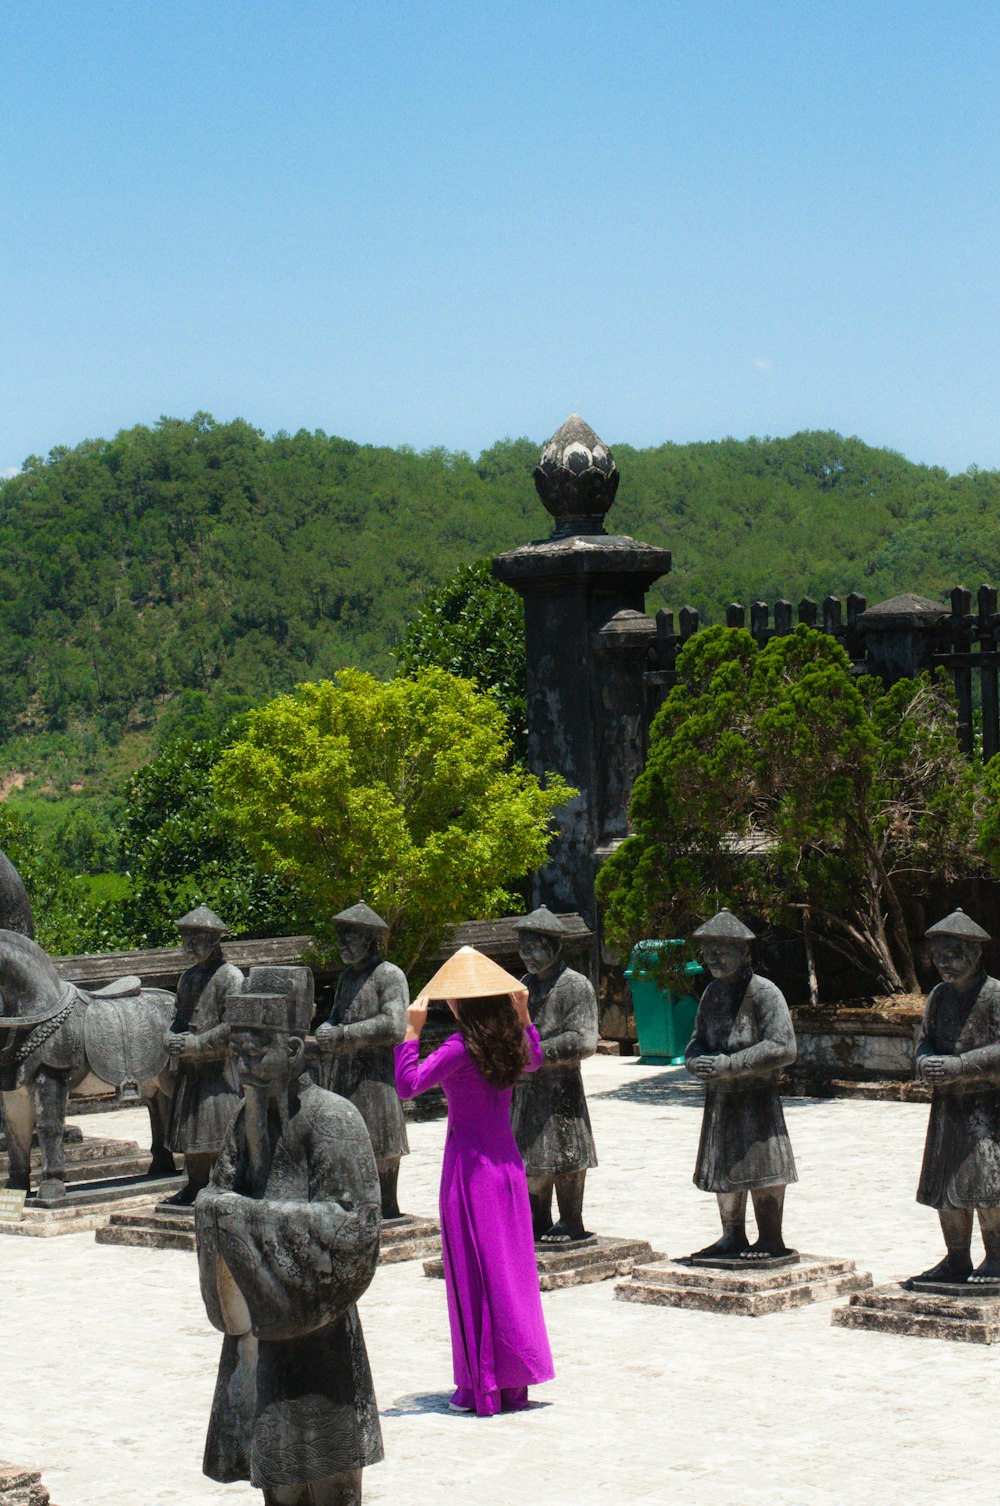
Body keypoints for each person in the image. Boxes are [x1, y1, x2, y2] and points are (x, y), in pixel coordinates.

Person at [196, 987, 383, 1506]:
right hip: (261, 1314)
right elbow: (219, 1193)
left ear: (296, 1050)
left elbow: (355, 1227)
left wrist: (243, 1217)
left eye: (258, 1049)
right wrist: (224, 1212)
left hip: (318, 1323)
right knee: (276, 1478)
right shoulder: (245, 1117)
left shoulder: (333, 1119)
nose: (244, 1062)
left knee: (330, 1478)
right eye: (238, 1050)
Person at [394, 945, 555, 1417]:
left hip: (468, 1172)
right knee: (509, 1274)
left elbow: (407, 1086)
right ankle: (511, 1385)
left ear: (461, 1003)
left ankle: (482, 1384)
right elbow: (536, 1060)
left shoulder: (458, 1048)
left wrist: (411, 1031)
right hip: (507, 1169)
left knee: (474, 1273)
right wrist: (524, 1014)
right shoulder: (508, 1044)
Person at [684, 909, 798, 1260]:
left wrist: (731, 1064)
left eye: (721, 950)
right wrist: (696, 1061)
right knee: (723, 1169)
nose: (713, 958)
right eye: (708, 951)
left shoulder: (764, 993)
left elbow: (784, 1046)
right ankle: (731, 1235)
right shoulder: (711, 993)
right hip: (721, 1097)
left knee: (763, 1165)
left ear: (743, 952)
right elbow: (696, 1040)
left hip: (756, 1096)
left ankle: (770, 1238)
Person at [911, 908, 1000, 1285]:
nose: (943, 964)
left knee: (989, 1185)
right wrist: (925, 1063)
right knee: (945, 1186)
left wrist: (961, 1065)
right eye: (938, 956)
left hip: (988, 1106)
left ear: (975, 953)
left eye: (952, 955)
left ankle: (996, 1257)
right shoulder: (938, 996)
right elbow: (923, 1041)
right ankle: (956, 1257)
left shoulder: (995, 995)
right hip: (947, 1106)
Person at [314, 903, 409, 1220]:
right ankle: (356, 1200)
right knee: (349, 1138)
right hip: (346, 1071)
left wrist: (343, 1034)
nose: (343, 945)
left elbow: (395, 1026)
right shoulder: (346, 978)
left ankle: (388, 1204)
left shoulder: (389, 975)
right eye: (339, 938)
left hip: (376, 1073)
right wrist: (328, 1028)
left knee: (381, 1141)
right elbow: (337, 1017)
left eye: (349, 937)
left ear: (369, 939)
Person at [510, 907, 598, 1243]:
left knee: (566, 1153)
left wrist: (537, 1053)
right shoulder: (523, 985)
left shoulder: (575, 985)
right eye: (523, 948)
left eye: (533, 947)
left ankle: (571, 1219)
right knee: (530, 1156)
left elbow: (584, 1039)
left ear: (554, 947)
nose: (527, 955)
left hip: (561, 1085)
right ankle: (537, 1217)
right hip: (526, 1086)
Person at [163, 905, 244, 1204]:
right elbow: (177, 1017)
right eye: (186, 941)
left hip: (218, 1068)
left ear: (214, 941)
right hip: (190, 1068)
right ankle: (195, 1183)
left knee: (219, 1129)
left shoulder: (230, 977)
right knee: (191, 1131)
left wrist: (198, 1045)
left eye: (195, 940)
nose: (189, 947)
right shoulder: (187, 978)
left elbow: (234, 1026)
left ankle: (223, 1183)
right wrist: (170, 1036)